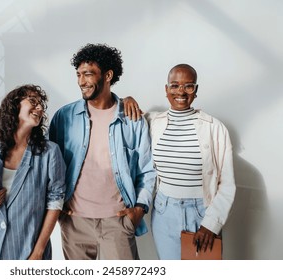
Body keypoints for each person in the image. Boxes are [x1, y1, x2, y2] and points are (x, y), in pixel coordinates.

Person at [49, 43, 156, 260]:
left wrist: (139, 209)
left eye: (88, 74)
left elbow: (147, 170)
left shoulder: (132, 119)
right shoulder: (64, 117)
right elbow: (50, 167)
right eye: (78, 74)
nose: (81, 81)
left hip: (117, 220)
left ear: (108, 75)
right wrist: (57, 209)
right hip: (74, 221)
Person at [128, 63, 235, 259]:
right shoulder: (152, 122)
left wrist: (211, 224)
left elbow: (227, 183)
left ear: (196, 90)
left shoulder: (215, 128)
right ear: (166, 89)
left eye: (188, 86)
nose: (181, 92)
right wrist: (125, 99)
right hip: (164, 211)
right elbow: (120, 117)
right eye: (175, 85)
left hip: (202, 211)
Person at [0, 84, 66, 260]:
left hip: (26, 246)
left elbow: (55, 202)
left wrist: (39, 251)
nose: (39, 107)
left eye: (41, 105)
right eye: (33, 101)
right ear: (14, 106)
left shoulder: (49, 153)